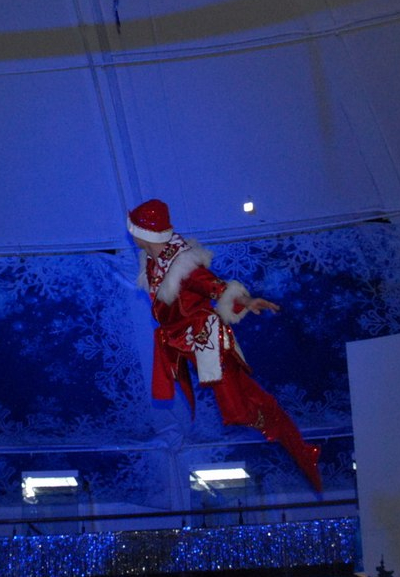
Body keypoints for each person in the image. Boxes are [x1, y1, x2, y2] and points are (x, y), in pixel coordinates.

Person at [126, 198, 322, 491]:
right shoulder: (154, 261)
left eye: (133, 228)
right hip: (188, 344)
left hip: (208, 341)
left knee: (239, 410)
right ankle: (295, 444)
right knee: (242, 404)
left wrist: (245, 300)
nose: (130, 233)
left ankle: (292, 440)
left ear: (144, 233)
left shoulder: (184, 265)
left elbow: (213, 285)